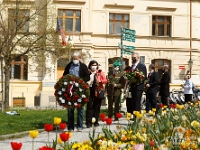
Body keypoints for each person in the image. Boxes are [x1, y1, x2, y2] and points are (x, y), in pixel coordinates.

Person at [63, 51, 90, 132]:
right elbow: (64, 75)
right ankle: (70, 127)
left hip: (80, 90)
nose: (74, 60)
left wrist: (80, 81)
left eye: (76, 58)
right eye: (73, 58)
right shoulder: (69, 66)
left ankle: (80, 126)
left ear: (79, 58)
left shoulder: (83, 66)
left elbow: (87, 77)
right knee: (70, 109)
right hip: (70, 89)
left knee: (80, 109)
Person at [86, 60, 107, 128]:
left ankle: (95, 121)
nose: (94, 66)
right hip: (89, 91)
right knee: (89, 107)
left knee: (97, 107)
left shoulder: (99, 72)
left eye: (95, 65)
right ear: (90, 66)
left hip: (98, 91)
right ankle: (88, 122)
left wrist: (100, 81)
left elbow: (105, 80)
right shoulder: (87, 72)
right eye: (92, 65)